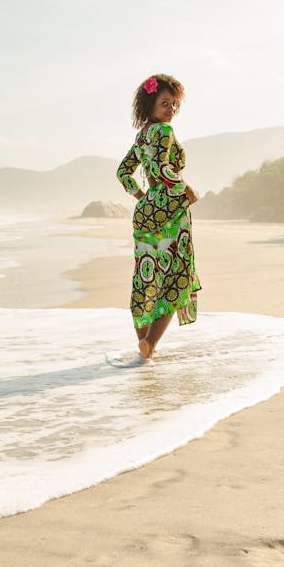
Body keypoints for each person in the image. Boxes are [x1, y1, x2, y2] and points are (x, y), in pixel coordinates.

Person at [116, 73, 201, 361]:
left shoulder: (142, 135)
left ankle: (143, 342)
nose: (171, 109)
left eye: (175, 104)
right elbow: (164, 167)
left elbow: (122, 172)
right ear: (150, 103)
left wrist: (142, 197)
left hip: (145, 212)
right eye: (165, 102)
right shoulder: (163, 132)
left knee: (146, 275)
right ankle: (150, 344)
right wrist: (185, 189)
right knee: (175, 277)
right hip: (170, 210)